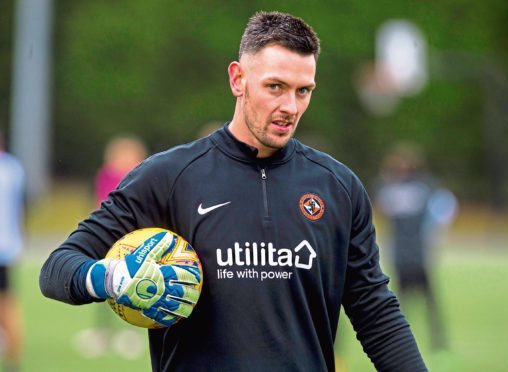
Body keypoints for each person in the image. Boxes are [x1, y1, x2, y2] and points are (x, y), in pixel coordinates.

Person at [40, 11, 427, 371]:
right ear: (237, 79)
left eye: (303, 91)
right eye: (275, 87)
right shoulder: (167, 177)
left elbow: (376, 314)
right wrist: (109, 278)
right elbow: (57, 268)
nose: (290, 106)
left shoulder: (338, 187)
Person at [375, 143, 458, 351]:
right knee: (400, 304)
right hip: (401, 255)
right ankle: (400, 342)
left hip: (419, 254)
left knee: (429, 303)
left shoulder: (423, 186)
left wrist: (435, 233)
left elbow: (445, 206)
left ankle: (437, 342)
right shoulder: (393, 187)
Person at [72, 136, 148, 359]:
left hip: (135, 239)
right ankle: (102, 333)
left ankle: (131, 331)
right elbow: (102, 202)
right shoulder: (106, 174)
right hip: (111, 239)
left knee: (136, 285)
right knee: (105, 285)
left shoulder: (142, 173)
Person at [0, 131, 25, 372]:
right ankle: (13, 361)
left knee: (6, 305)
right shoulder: (14, 168)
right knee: (7, 303)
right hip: (8, 246)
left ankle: (13, 359)